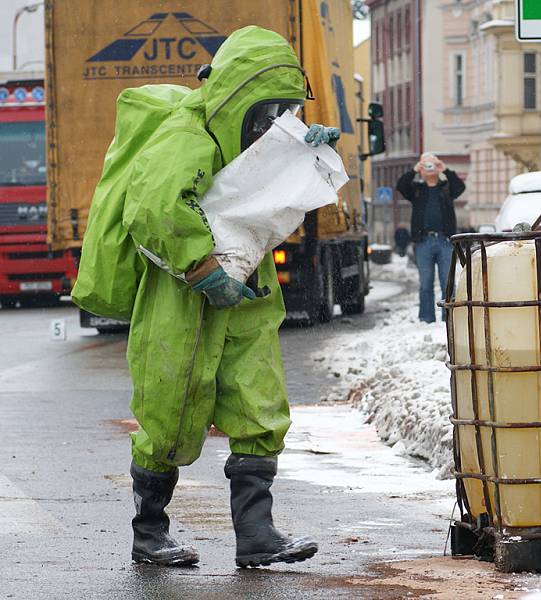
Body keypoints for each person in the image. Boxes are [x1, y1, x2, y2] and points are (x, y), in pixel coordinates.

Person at [95, 27, 340, 568]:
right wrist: (202, 270)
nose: (275, 117)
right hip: (179, 293)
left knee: (259, 403)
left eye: (286, 106)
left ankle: (257, 535)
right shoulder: (187, 134)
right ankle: (149, 534)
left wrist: (304, 152)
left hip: (248, 288)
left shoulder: (257, 131)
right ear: (235, 96)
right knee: (169, 410)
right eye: (267, 106)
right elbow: (154, 208)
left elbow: (262, 189)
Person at [396, 153, 465, 323]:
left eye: (431, 164)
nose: (429, 168)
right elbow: (401, 186)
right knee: (425, 284)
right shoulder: (417, 190)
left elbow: (460, 187)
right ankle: (426, 318)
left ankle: (449, 318)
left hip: (445, 241)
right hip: (423, 242)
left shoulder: (446, 188)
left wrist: (446, 170)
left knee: (447, 283)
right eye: (425, 165)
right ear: (421, 168)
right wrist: (414, 170)